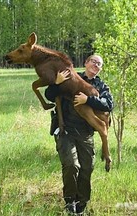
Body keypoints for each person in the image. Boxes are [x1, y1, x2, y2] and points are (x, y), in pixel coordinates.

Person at [45, 54, 114, 215]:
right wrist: (57, 83)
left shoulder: (101, 86)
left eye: (99, 64)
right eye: (93, 62)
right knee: (71, 164)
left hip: (85, 133)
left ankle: (81, 204)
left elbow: (108, 105)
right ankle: (70, 202)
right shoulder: (70, 77)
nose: (96, 65)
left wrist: (88, 100)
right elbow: (49, 95)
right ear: (86, 63)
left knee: (87, 168)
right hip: (66, 130)